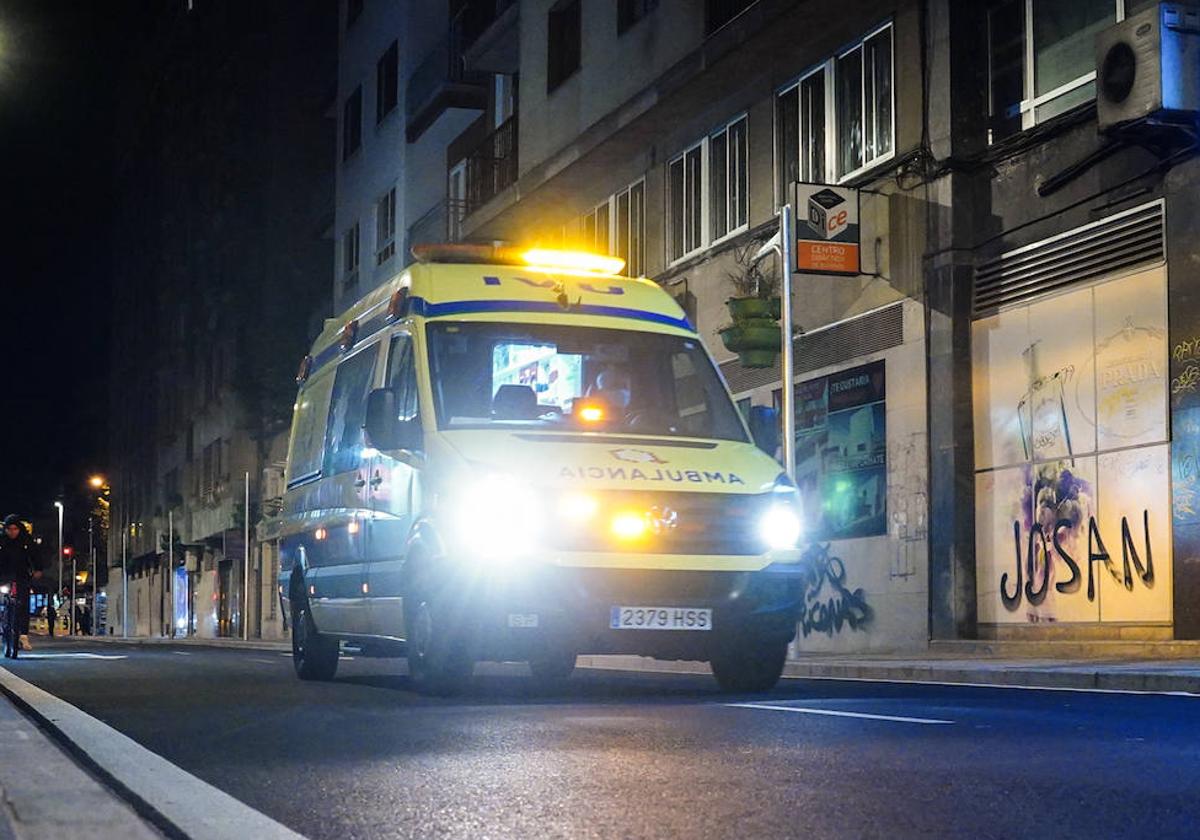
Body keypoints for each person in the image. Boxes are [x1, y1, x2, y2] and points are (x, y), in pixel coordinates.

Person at [0, 515, 41, 651]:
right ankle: (4, 627)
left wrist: (38, 569)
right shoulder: (2, 541)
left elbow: (35, 555)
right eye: (9, 529)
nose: (12, 532)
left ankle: (23, 635)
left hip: (22, 576)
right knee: (4, 602)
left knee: (23, 604)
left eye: (15, 529)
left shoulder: (26, 541)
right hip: (4, 576)